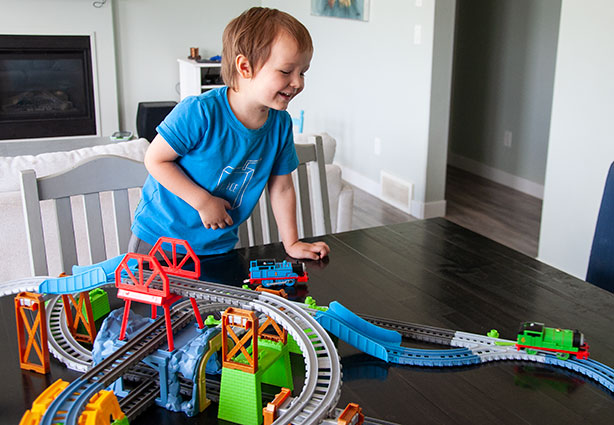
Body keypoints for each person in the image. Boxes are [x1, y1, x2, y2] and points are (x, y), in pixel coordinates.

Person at [129, 7, 330, 261]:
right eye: (286, 71)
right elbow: (155, 160)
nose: (298, 82)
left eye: (302, 72)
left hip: (218, 245)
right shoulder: (200, 112)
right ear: (245, 67)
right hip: (159, 240)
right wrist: (203, 201)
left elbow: (281, 187)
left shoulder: (280, 124)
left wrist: (291, 242)